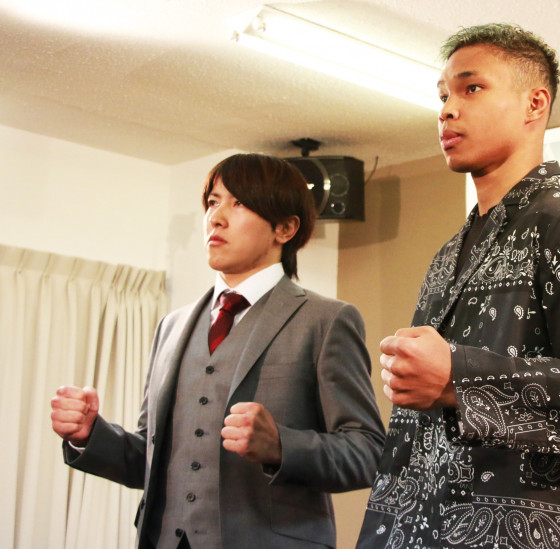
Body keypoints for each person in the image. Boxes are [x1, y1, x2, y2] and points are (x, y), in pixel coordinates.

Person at [356, 23, 560, 549]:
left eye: (471, 88)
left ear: (534, 104)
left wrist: (459, 376)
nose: (448, 110)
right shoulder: (448, 253)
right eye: (443, 96)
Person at [51, 153, 386, 549]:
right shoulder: (171, 327)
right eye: (212, 202)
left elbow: (368, 452)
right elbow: (153, 459)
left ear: (285, 228)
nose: (216, 217)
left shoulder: (325, 320)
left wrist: (281, 446)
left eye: (239, 203)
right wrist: (90, 435)